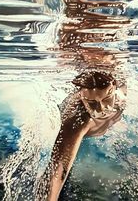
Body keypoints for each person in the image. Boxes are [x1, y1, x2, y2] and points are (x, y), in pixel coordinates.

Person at [36, 71, 126, 200]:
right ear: (81, 96)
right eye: (91, 102)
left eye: (106, 99)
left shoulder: (122, 92)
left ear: (114, 87)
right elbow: (59, 168)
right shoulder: (77, 121)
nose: (100, 109)